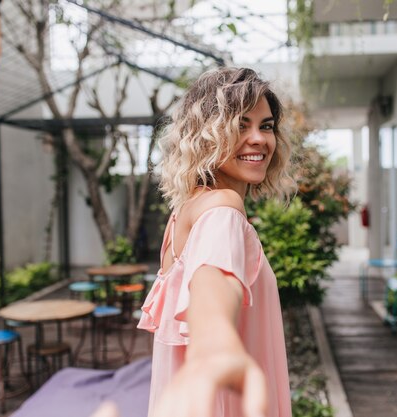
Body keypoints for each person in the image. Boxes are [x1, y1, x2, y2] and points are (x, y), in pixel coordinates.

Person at [137, 67, 294, 417]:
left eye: (265, 126)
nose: (259, 139)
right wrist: (217, 340)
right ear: (206, 134)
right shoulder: (224, 208)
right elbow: (213, 280)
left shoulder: (185, 212)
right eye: (241, 124)